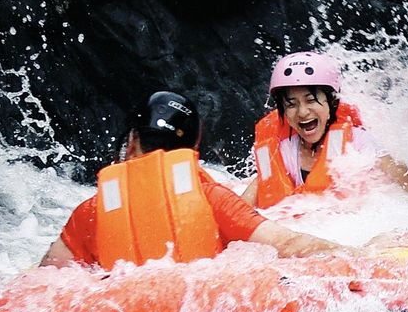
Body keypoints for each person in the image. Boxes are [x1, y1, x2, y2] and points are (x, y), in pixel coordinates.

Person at [41, 91, 349, 269]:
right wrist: (360, 257)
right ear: (192, 154)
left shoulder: (90, 212)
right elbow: (290, 244)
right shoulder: (213, 199)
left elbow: (45, 278)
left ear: (132, 140)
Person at [242, 52, 408, 223]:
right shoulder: (283, 149)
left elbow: (401, 173)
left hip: (357, 222)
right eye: (291, 104)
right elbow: (248, 200)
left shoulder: (356, 141)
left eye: (311, 100)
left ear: (331, 103)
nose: (302, 112)